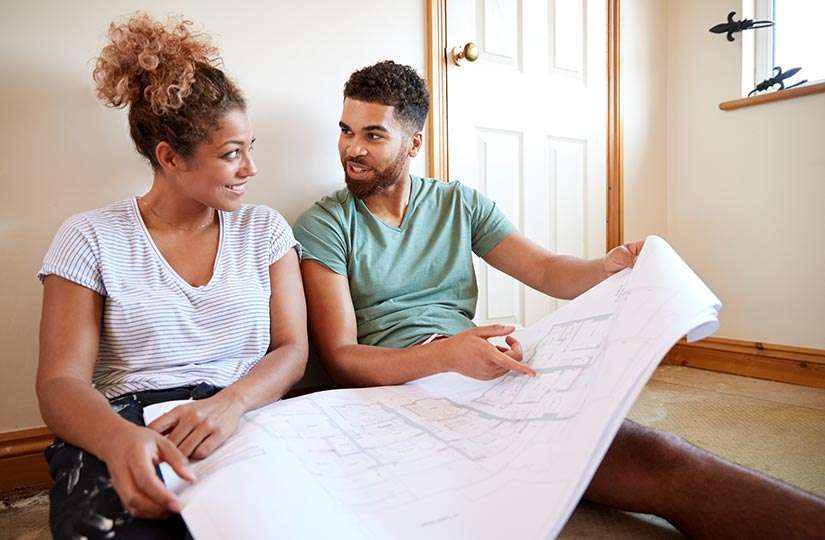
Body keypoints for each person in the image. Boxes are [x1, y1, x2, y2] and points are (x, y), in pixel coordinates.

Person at [293, 60, 825, 538]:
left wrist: (607, 267)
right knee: (656, 462)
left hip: (477, 368)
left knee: (648, 445)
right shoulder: (325, 224)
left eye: (372, 134)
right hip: (407, 388)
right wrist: (446, 355)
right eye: (345, 130)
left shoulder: (460, 204)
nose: (352, 149)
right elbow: (341, 360)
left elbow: (545, 269)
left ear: (413, 143)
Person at [36, 13, 307, 539]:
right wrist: (118, 441)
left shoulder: (264, 230)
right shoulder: (89, 237)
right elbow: (59, 382)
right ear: (170, 158)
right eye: (232, 154)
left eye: (252, 146)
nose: (250, 167)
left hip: (245, 412)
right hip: (126, 421)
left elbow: (292, 348)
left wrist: (231, 403)